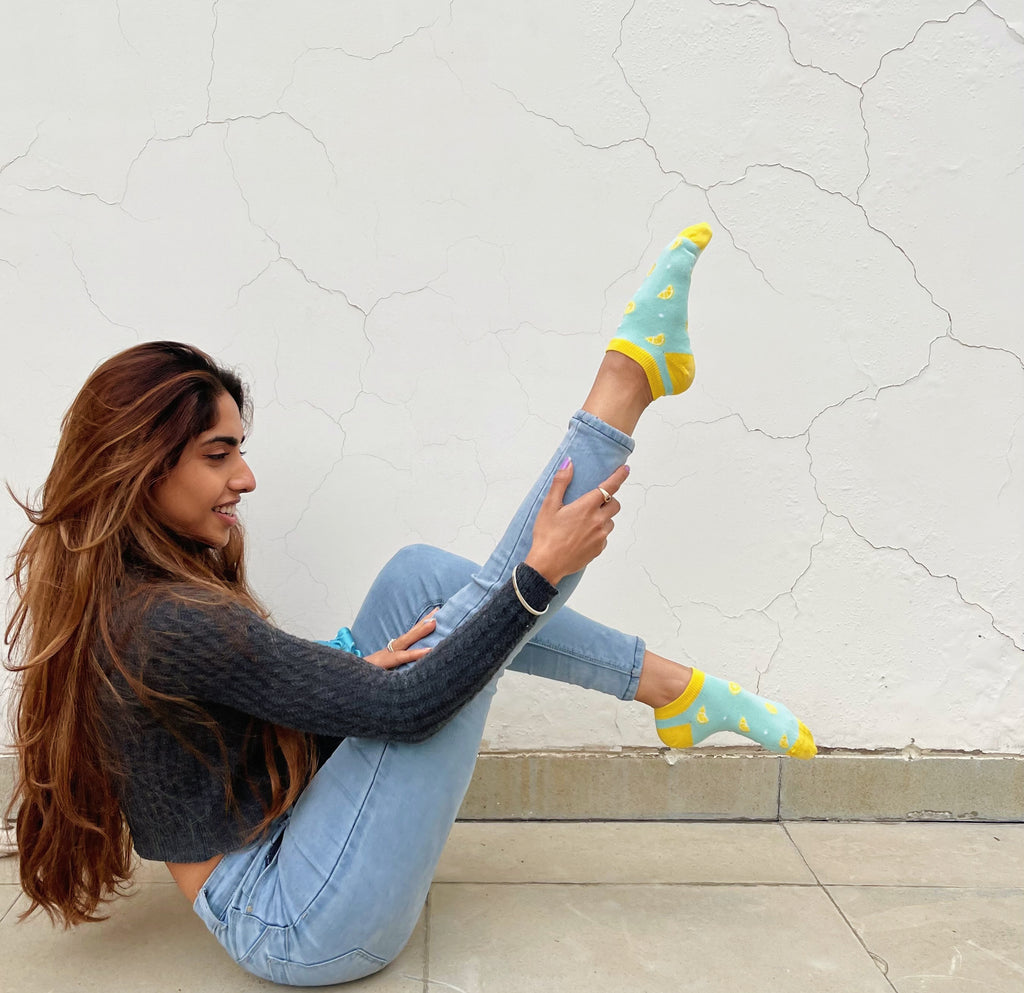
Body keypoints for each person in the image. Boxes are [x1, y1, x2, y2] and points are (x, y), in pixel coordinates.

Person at [5, 223, 814, 986]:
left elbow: (256, 718)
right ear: (141, 467)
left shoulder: (141, 591)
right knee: (468, 636)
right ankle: (622, 389)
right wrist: (535, 578)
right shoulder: (166, 620)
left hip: (290, 844)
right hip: (293, 921)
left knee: (423, 578)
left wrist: (354, 675)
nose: (245, 478)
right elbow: (413, 710)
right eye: (219, 455)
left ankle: (673, 688)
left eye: (238, 452)